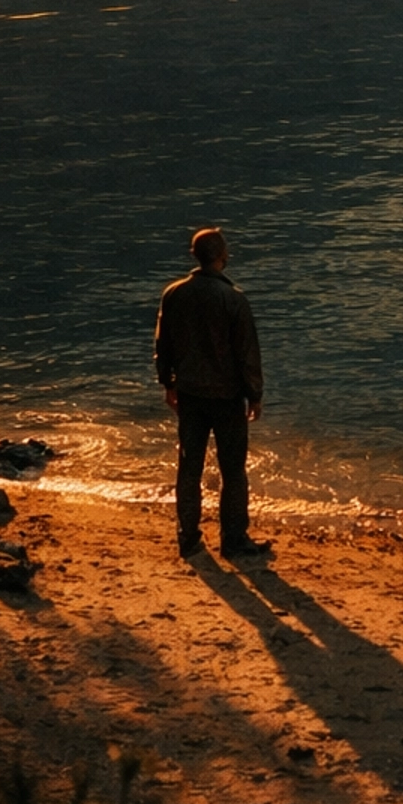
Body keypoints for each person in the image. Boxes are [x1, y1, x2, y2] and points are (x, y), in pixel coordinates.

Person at [154, 226, 270, 559]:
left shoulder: (174, 294)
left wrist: (168, 383)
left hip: (190, 393)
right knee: (233, 470)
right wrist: (255, 394)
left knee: (189, 467)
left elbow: (163, 344)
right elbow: (247, 353)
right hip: (227, 396)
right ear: (223, 257)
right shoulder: (233, 298)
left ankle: (188, 537)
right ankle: (233, 540)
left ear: (195, 256)